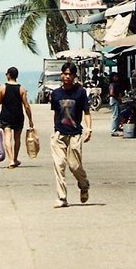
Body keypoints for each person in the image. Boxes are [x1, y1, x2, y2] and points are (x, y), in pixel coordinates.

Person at [49, 62, 92, 208]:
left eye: (70, 74)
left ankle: (84, 184)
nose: (67, 77)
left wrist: (89, 129)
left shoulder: (80, 92)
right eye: (65, 74)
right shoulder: (55, 94)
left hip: (75, 134)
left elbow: (86, 112)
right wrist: (55, 131)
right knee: (59, 165)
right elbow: (56, 113)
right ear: (61, 75)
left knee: (74, 166)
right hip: (59, 134)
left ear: (74, 76)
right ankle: (62, 198)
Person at [0, 66, 34, 168]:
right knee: (17, 138)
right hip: (18, 116)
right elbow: (26, 105)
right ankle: (15, 158)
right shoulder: (21, 89)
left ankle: (11, 159)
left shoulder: (2, 88)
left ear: (9, 75)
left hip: (6, 116)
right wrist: (30, 119)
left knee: (7, 137)